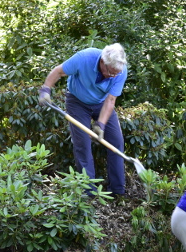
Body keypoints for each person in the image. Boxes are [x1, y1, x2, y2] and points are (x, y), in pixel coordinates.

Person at [38, 43, 128, 195]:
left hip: (102, 103)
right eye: (110, 72)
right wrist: (46, 89)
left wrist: (100, 124)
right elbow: (58, 71)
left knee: (116, 142)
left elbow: (111, 100)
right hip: (77, 102)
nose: (113, 76)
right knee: (83, 144)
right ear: (102, 63)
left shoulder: (120, 71)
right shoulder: (84, 58)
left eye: (115, 74)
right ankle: (89, 192)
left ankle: (118, 191)